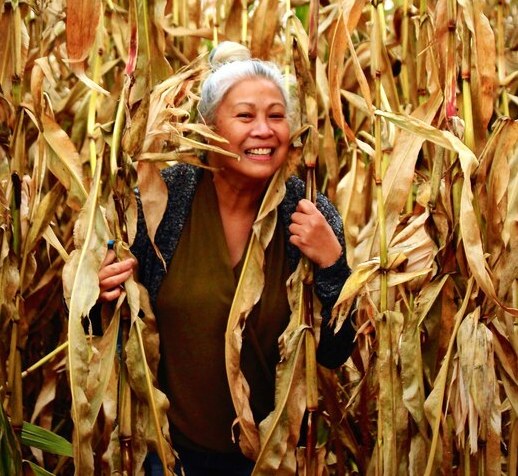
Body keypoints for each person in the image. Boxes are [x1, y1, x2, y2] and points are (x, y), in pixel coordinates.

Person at [98, 43, 355, 475]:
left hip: (271, 462)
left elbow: (333, 351)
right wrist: (105, 296)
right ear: (207, 127)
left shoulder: (310, 211)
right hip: (167, 455)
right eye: (244, 116)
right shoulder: (161, 200)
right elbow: (106, 332)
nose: (264, 130)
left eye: (276, 116)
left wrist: (333, 267)